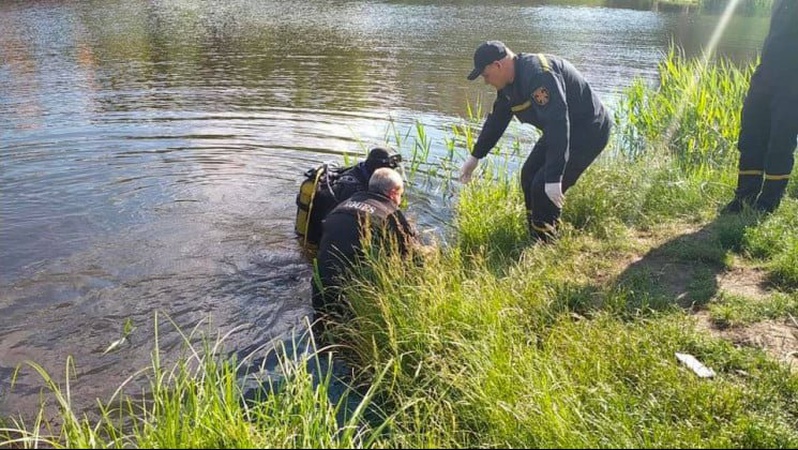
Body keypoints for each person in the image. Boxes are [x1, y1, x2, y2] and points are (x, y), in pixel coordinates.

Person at [459, 41, 611, 241]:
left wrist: (555, 177)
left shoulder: (538, 75)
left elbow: (558, 122)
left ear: (497, 65)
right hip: (560, 131)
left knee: (542, 187)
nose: (486, 82)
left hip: (588, 131)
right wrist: (475, 157)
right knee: (528, 174)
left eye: (486, 75)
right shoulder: (508, 84)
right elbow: (497, 120)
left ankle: (547, 245)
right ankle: (535, 235)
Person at [311, 167, 419, 326]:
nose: (400, 201)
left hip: (319, 293)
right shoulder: (391, 216)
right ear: (393, 193)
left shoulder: (341, 206)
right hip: (351, 303)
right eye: (400, 196)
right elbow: (411, 258)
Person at [723, 0, 797, 214]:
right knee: (751, 135)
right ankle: (744, 197)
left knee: (781, 141)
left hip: (793, 81)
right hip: (766, 74)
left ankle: (768, 202)